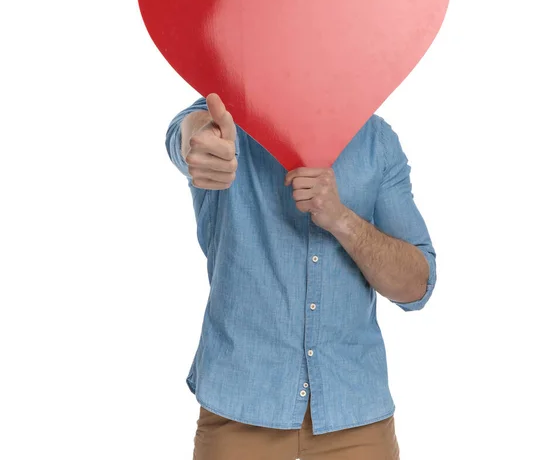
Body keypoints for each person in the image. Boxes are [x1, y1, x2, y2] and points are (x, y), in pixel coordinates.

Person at [165, 92, 437, 460]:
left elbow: (415, 286)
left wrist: (342, 218)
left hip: (355, 414)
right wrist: (197, 142)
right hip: (239, 409)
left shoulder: (377, 141)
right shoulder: (226, 126)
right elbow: (190, 135)